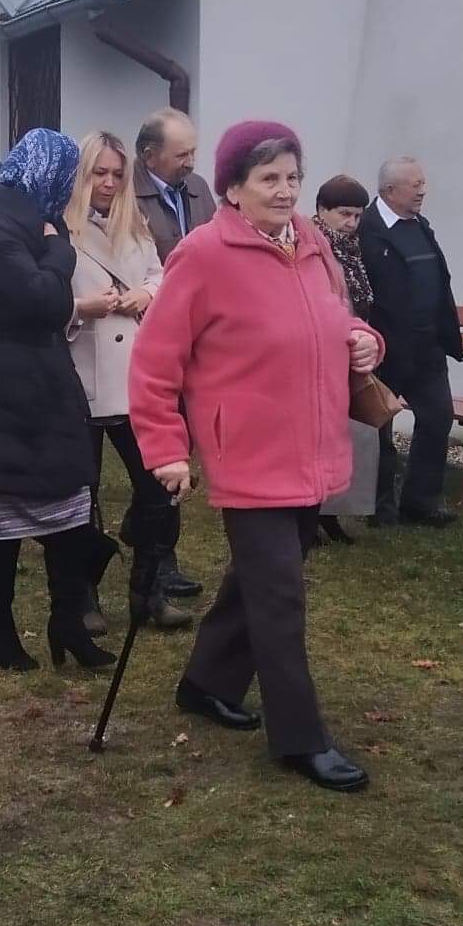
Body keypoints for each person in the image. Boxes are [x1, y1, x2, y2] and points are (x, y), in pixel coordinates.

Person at [130, 120, 383, 792]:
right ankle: (300, 738)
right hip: (248, 453)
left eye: (293, 177)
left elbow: (334, 319)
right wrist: (166, 448)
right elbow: (154, 363)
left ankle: (206, 682)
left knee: (259, 581)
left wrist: (364, 340)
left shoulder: (314, 244)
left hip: (312, 446)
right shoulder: (203, 255)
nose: (285, 190)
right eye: (269, 178)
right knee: (280, 597)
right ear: (233, 187)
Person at [0, 129, 115, 673]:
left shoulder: (30, 222)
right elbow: (43, 298)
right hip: (1, 392)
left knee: (68, 510)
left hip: (44, 387)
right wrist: (59, 248)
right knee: (2, 519)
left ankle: (67, 621)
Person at [64, 130, 190, 633]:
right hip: (83, 374)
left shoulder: (133, 221)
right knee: (83, 496)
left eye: (118, 173)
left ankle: (149, 590)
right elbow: (41, 298)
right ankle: (83, 595)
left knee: (158, 488)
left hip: (135, 377)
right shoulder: (60, 227)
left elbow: (161, 273)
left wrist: (147, 294)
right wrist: (82, 308)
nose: (109, 182)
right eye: (100, 172)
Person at [357, 157, 463, 528]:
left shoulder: (421, 226)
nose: (422, 191)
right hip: (386, 348)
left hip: (427, 346)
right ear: (389, 190)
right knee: (379, 427)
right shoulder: (367, 229)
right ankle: (379, 507)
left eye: (423, 183)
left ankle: (421, 502)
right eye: (415, 184)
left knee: (438, 417)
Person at [313, 175, 379, 539]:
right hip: (320, 353)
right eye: (344, 214)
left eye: (357, 215)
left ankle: (332, 511)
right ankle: (312, 513)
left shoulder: (352, 249)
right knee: (318, 437)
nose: (351, 223)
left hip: (350, 350)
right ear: (322, 210)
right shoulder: (313, 246)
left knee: (346, 435)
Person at [133, 110, 217, 264]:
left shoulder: (198, 186)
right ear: (149, 156)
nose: (190, 163)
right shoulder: (126, 194)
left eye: (192, 153)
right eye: (182, 155)